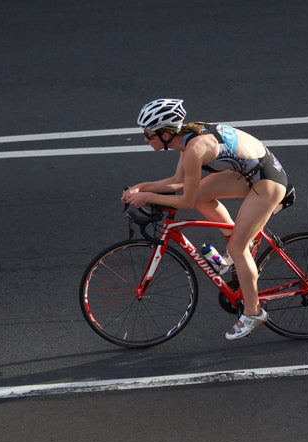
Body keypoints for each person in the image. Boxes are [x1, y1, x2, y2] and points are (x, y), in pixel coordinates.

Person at [121, 98, 288, 340]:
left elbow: (185, 202)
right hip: (250, 171)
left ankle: (254, 312)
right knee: (201, 196)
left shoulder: (193, 150)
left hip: (267, 180)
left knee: (238, 248)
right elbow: (178, 181)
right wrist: (141, 187)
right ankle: (238, 241)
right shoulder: (186, 139)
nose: (145, 139)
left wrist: (147, 197)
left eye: (148, 135)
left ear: (166, 134)